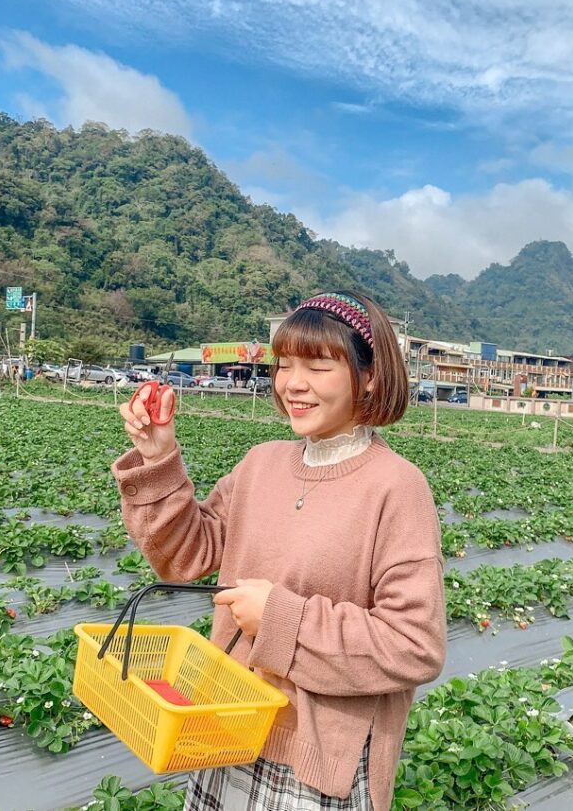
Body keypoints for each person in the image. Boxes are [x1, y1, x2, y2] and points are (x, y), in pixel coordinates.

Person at [113, 291, 446, 811]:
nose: (293, 383)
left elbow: (413, 645)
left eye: (317, 366)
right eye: (284, 364)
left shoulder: (396, 488)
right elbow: (187, 556)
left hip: (316, 759)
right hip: (225, 724)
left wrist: (278, 618)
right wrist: (159, 458)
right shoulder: (261, 464)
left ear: (371, 376)